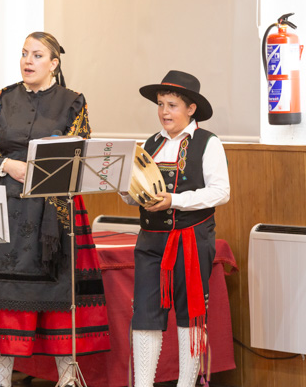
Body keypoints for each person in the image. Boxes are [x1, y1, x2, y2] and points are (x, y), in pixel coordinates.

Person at [0, 32, 110, 387]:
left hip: (53, 215)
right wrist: (6, 165)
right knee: (2, 300)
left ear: (54, 63)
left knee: (60, 298)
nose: (28, 61)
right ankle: (2, 382)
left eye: (37, 55)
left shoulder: (73, 102)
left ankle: (67, 379)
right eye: (24, 53)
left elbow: (80, 151)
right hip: (4, 210)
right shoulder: (1, 99)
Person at [121, 70, 230, 387]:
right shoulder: (150, 144)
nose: (164, 112)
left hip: (191, 239)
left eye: (172, 105)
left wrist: (174, 200)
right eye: (160, 104)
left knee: (189, 315)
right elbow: (136, 194)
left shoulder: (208, 143)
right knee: (145, 314)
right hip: (150, 240)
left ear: (191, 109)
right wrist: (126, 191)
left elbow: (221, 192)